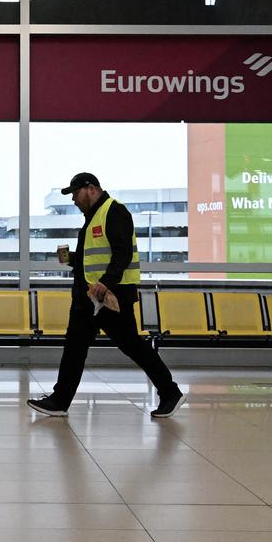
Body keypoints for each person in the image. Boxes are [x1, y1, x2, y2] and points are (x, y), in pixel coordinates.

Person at [28, 172, 184, 419]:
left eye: (76, 194)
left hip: (111, 296)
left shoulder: (115, 211)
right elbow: (94, 258)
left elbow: (122, 254)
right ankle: (60, 400)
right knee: (75, 348)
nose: (74, 201)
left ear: (91, 188)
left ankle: (170, 392)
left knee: (131, 345)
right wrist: (72, 260)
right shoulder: (91, 219)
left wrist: (106, 282)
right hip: (87, 297)